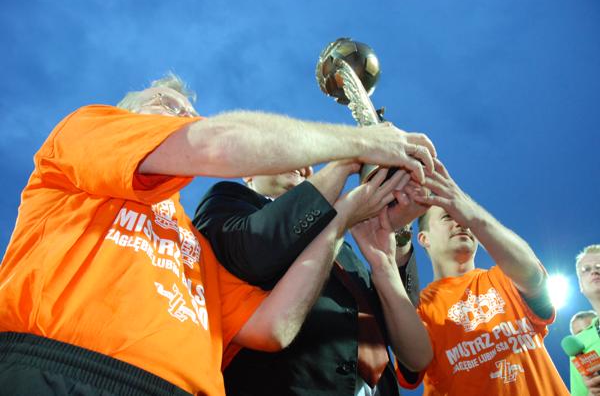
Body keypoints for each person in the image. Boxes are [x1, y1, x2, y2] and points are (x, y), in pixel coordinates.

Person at [0, 73, 437, 396]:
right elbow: (213, 143)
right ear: (127, 112)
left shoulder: (195, 246)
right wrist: (358, 145)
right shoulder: (86, 133)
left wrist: (341, 220)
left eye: (190, 114)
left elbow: (273, 327)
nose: (184, 116)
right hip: (64, 371)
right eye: (166, 103)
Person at [193, 158, 432, 396]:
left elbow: (406, 346)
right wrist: (339, 214)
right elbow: (253, 253)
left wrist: (392, 244)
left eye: (309, 160)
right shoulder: (229, 200)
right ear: (248, 175)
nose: (306, 165)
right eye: (291, 149)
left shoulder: (345, 252)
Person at [399, 159, 569, 395]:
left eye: (463, 215)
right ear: (424, 238)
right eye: (448, 217)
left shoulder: (505, 277)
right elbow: (411, 367)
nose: (461, 222)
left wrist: (471, 212)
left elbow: (534, 276)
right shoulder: (419, 307)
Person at [569, 245, 600, 396]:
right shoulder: (580, 345)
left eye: (599, 266)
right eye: (586, 270)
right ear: (581, 285)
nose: (594, 271)